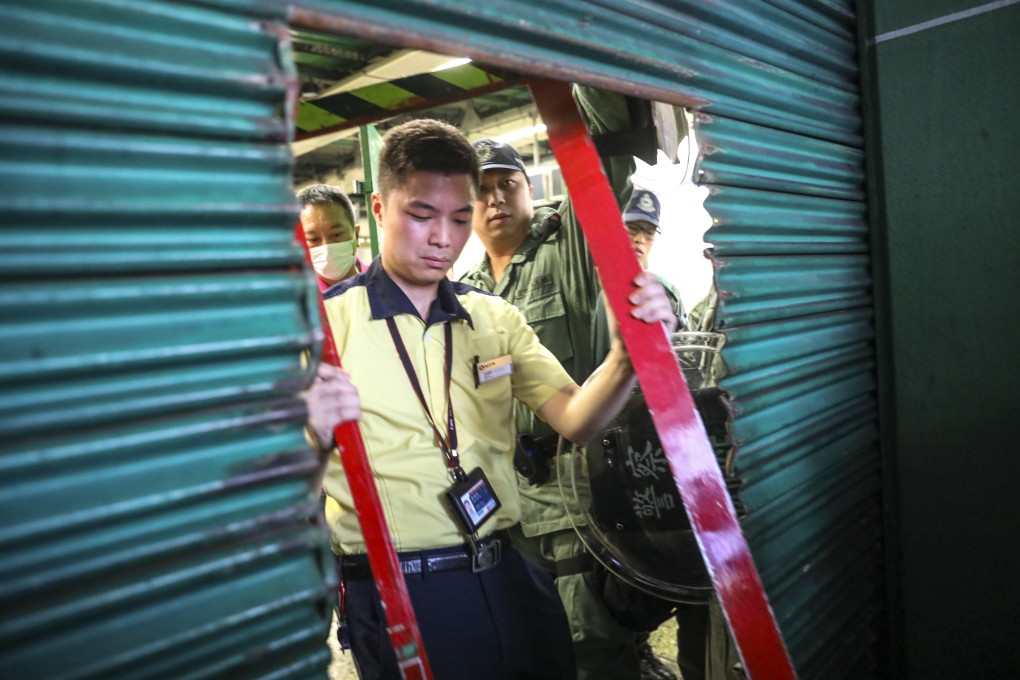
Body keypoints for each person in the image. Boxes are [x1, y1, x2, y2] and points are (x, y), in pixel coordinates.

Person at [304, 118, 678, 680]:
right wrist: (309, 435)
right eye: (421, 216)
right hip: (400, 587)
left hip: (512, 569)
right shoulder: (325, 328)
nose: (443, 238)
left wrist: (628, 356)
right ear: (378, 210)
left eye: (459, 219)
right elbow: (271, 494)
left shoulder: (494, 317)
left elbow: (577, 418)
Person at [460, 86, 672, 680]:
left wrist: (578, 61)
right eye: (480, 188)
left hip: (575, 498)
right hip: (503, 506)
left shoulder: (567, 248)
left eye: (508, 182)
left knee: (592, 653)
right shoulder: (465, 291)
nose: (495, 197)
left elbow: (602, 156)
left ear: (532, 189)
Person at [297, 183, 361, 292]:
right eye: (313, 239)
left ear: (356, 235)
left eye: (336, 234)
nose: (327, 248)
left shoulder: (385, 287)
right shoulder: (297, 301)